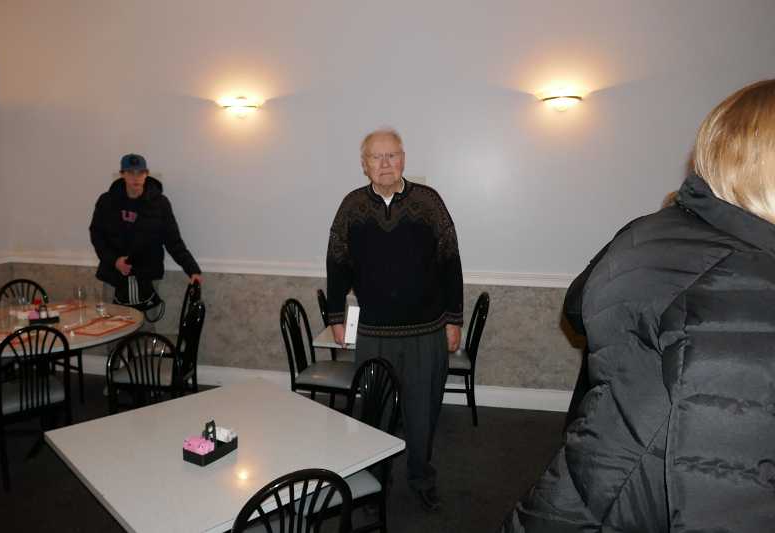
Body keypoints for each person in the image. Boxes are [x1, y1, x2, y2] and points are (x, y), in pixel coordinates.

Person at [502, 79, 775, 532]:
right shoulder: (745, 286)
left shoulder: (647, 231)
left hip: (598, 460)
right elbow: (725, 490)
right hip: (630, 487)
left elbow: (576, 306)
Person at [326, 128, 464, 511]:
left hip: (426, 331)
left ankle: (421, 477)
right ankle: (375, 480)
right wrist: (335, 316)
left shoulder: (430, 202)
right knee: (375, 412)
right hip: (374, 332)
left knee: (423, 411)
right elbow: (336, 264)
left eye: (392, 155)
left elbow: (450, 262)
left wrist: (454, 319)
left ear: (403, 159)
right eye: (377, 156)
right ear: (364, 164)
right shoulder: (351, 206)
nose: (385, 163)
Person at [89, 153, 201, 322]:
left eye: (140, 172)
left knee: (146, 329)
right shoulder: (106, 201)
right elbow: (97, 236)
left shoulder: (160, 203)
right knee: (112, 327)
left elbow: (173, 241)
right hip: (113, 275)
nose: (136, 177)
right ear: (122, 174)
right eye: (130, 172)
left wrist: (192, 269)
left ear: (146, 174)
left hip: (147, 276)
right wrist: (115, 261)